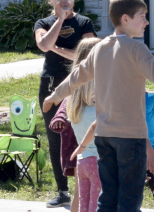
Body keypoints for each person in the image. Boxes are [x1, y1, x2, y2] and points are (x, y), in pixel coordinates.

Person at [41, 0, 154, 212]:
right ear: (125, 19)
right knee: (129, 197)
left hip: (104, 137)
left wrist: (54, 96)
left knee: (108, 196)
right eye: (142, 16)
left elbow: (76, 76)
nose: (146, 21)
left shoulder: (100, 48)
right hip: (130, 138)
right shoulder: (137, 49)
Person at [34, 0, 98, 208]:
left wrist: (59, 49)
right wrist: (60, 20)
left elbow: (88, 56)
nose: (64, 3)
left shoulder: (84, 22)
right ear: (51, 1)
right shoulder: (44, 23)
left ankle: (89, 183)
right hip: (52, 83)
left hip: (82, 86)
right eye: (59, 0)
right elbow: (43, 44)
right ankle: (62, 190)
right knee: (55, 135)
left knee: (83, 133)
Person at [57, 38, 101, 212]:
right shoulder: (98, 110)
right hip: (100, 163)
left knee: (84, 207)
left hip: (83, 163)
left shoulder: (73, 104)